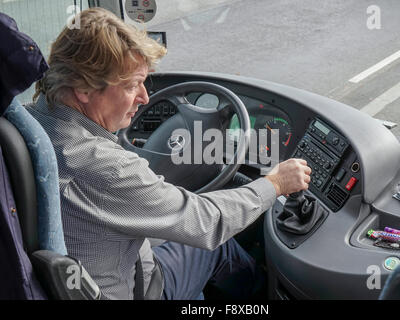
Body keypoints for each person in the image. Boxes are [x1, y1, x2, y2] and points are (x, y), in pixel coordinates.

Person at [27, 7, 311, 300]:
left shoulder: (28, 123)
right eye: (132, 85)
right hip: (137, 290)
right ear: (84, 89)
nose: (145, 97)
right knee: (216, 247)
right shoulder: (107, 168)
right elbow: (208, 222)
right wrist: (275, 183)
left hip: (84, 271)